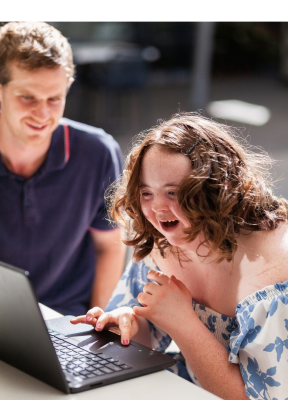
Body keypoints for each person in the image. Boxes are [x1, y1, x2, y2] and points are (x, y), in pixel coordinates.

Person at [71, 112, 288, 399]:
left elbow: (255, 397)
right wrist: (130, 324)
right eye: (146, 192)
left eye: (174, 192)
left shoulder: (273, 274)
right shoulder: (162, 241)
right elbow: (144, 337)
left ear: (218, 190)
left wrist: (184, 323)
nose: (158, 208)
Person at [0, 21, 126, 315]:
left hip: (68, 324)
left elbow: (109, 246)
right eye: (27, 97)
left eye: (54, 99)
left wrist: (96, 328)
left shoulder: (98, 153)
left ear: (68, 87)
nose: (42, 114)